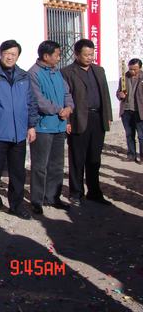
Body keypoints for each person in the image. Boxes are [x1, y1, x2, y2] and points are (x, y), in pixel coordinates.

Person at [0, 39, 38, 221]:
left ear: (18, 56)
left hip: (19, 133)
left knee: (17, 172)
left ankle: (17, 205)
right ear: (1, 54)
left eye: (13, 54)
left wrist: (31, 126)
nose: (9, 57)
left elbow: (31, 102)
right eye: (7, 53)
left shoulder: (23, 76)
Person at [61, 39, 113, 206]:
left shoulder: (99, 70)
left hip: (97, 118)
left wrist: (108, 115)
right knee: (77, 158)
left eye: (92, 54)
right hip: (78, 119)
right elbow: (65, 97)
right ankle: (76, 193)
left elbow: (105, 94)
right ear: (77, 54)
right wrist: (67, 121)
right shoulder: (67, 72)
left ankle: (94, 192)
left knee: (94, 158)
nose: (90, 57)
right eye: (86, 55)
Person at [27, 40, 74, 214]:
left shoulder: (56, 72)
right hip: (43, 127)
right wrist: (59, 110)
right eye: (57, 55)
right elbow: (38, 100)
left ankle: (53, 196)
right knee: (40, 166)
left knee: (57, 165)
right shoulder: (33, 74)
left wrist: (69, 108)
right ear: (46, 56)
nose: (59, 58)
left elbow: (67, 93)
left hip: (59, 126)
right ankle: (37, 200)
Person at [116, 58, 143, 163]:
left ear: (140, 68)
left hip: (139, 111)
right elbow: (118, 92)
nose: (132, 71)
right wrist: (120, 95)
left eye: (134, 69)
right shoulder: (123, 78)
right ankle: (131, 155)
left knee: (141, 136)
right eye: (130, 69)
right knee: (129, 134)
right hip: (126, 111)